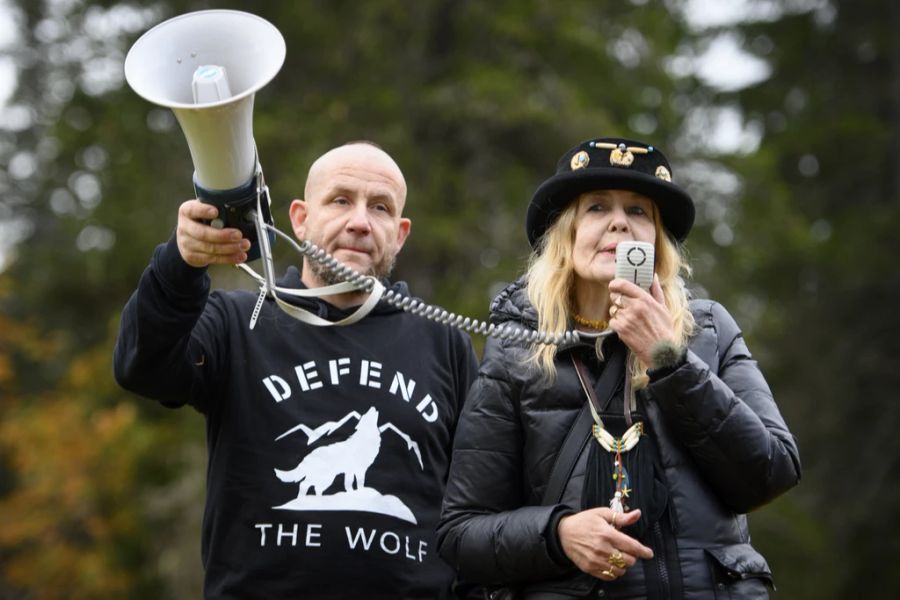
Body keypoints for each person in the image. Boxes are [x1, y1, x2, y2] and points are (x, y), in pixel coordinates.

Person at [436, 137, 801, 599]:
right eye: (596, 208)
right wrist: (557, 534)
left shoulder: (709, 331)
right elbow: (460, 534)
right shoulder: (517, 351)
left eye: (638, 211)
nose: (618, 224)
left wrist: (669, 358)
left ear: (657, 241)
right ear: (565, 236)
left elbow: (771, 473)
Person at [114, 141, 478, 599]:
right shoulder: (236, 320)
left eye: (380, 208)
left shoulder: (444, 342)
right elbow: (140, 366)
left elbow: (475, 505)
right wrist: (181, 264)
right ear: (300, 218)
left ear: (400, 233)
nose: (360, 222)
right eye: (341, 200)